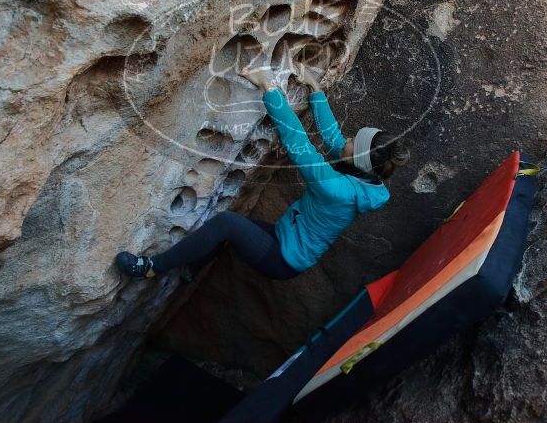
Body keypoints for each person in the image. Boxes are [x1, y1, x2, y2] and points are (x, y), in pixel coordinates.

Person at [115, 62, 410, 281]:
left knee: (227, 224)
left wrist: (269, 87)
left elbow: (299, 143)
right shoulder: (364, 176)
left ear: (357, 159)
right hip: (284, 236)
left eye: (352, 143)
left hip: (283, 258)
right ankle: (192, 267)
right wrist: (315, 90)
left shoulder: (338, 190)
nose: (346, 140)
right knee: (234, 231)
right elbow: (334, 139)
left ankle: (152, 268)